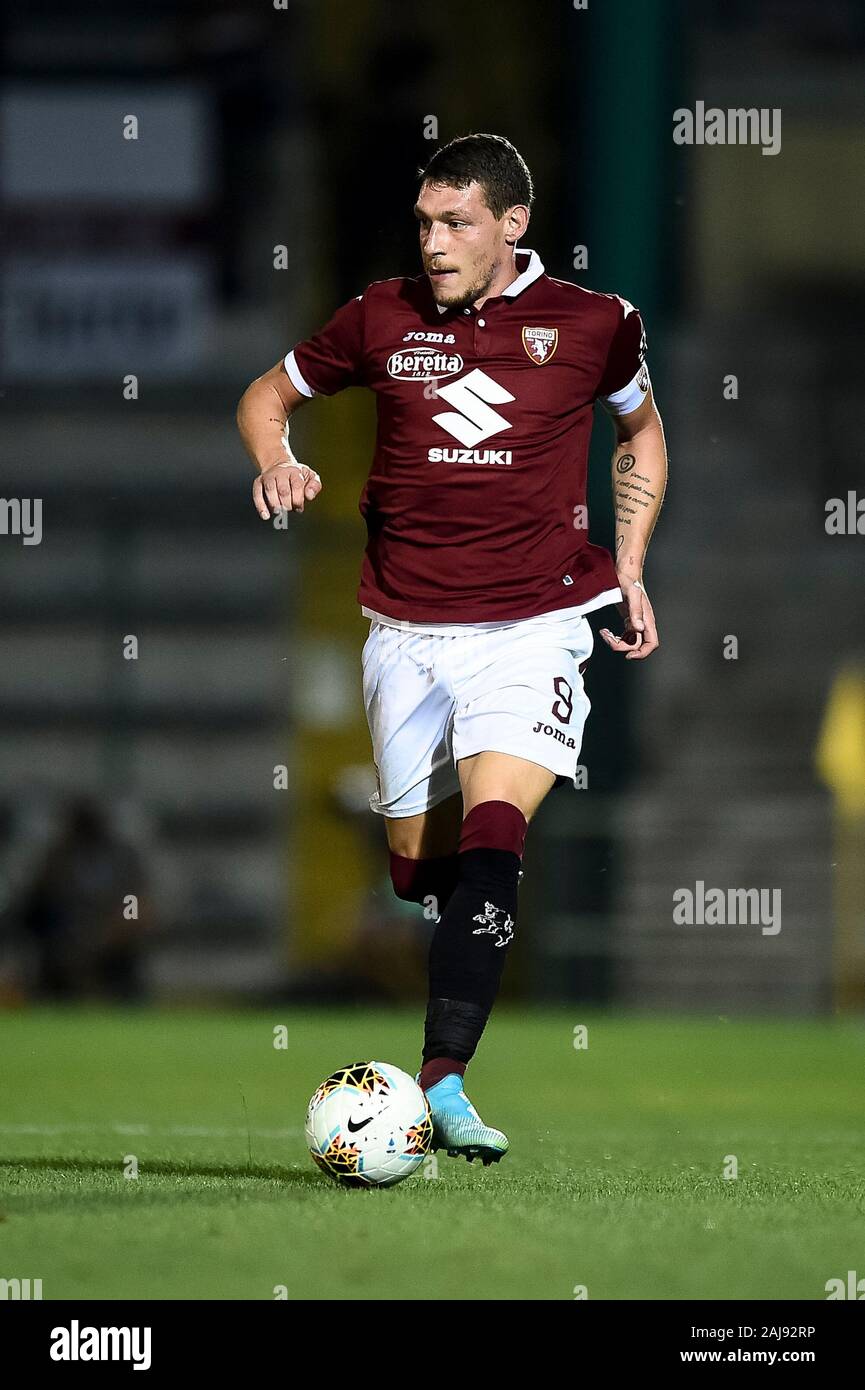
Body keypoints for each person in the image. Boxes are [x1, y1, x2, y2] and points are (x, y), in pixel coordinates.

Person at [237, 133, 667, 1166]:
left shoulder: (594, 324)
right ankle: (448, 947)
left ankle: (445, 1079)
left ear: (511, 225)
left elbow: (642, 433)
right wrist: (277, 458)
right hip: (404, 635)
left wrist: (632, 563)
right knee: (418, 873)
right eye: (425, 222)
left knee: (493, 838)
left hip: (536, 625)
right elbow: (267, 396)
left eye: (456, 223)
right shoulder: (378, 316)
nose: (433, 242)